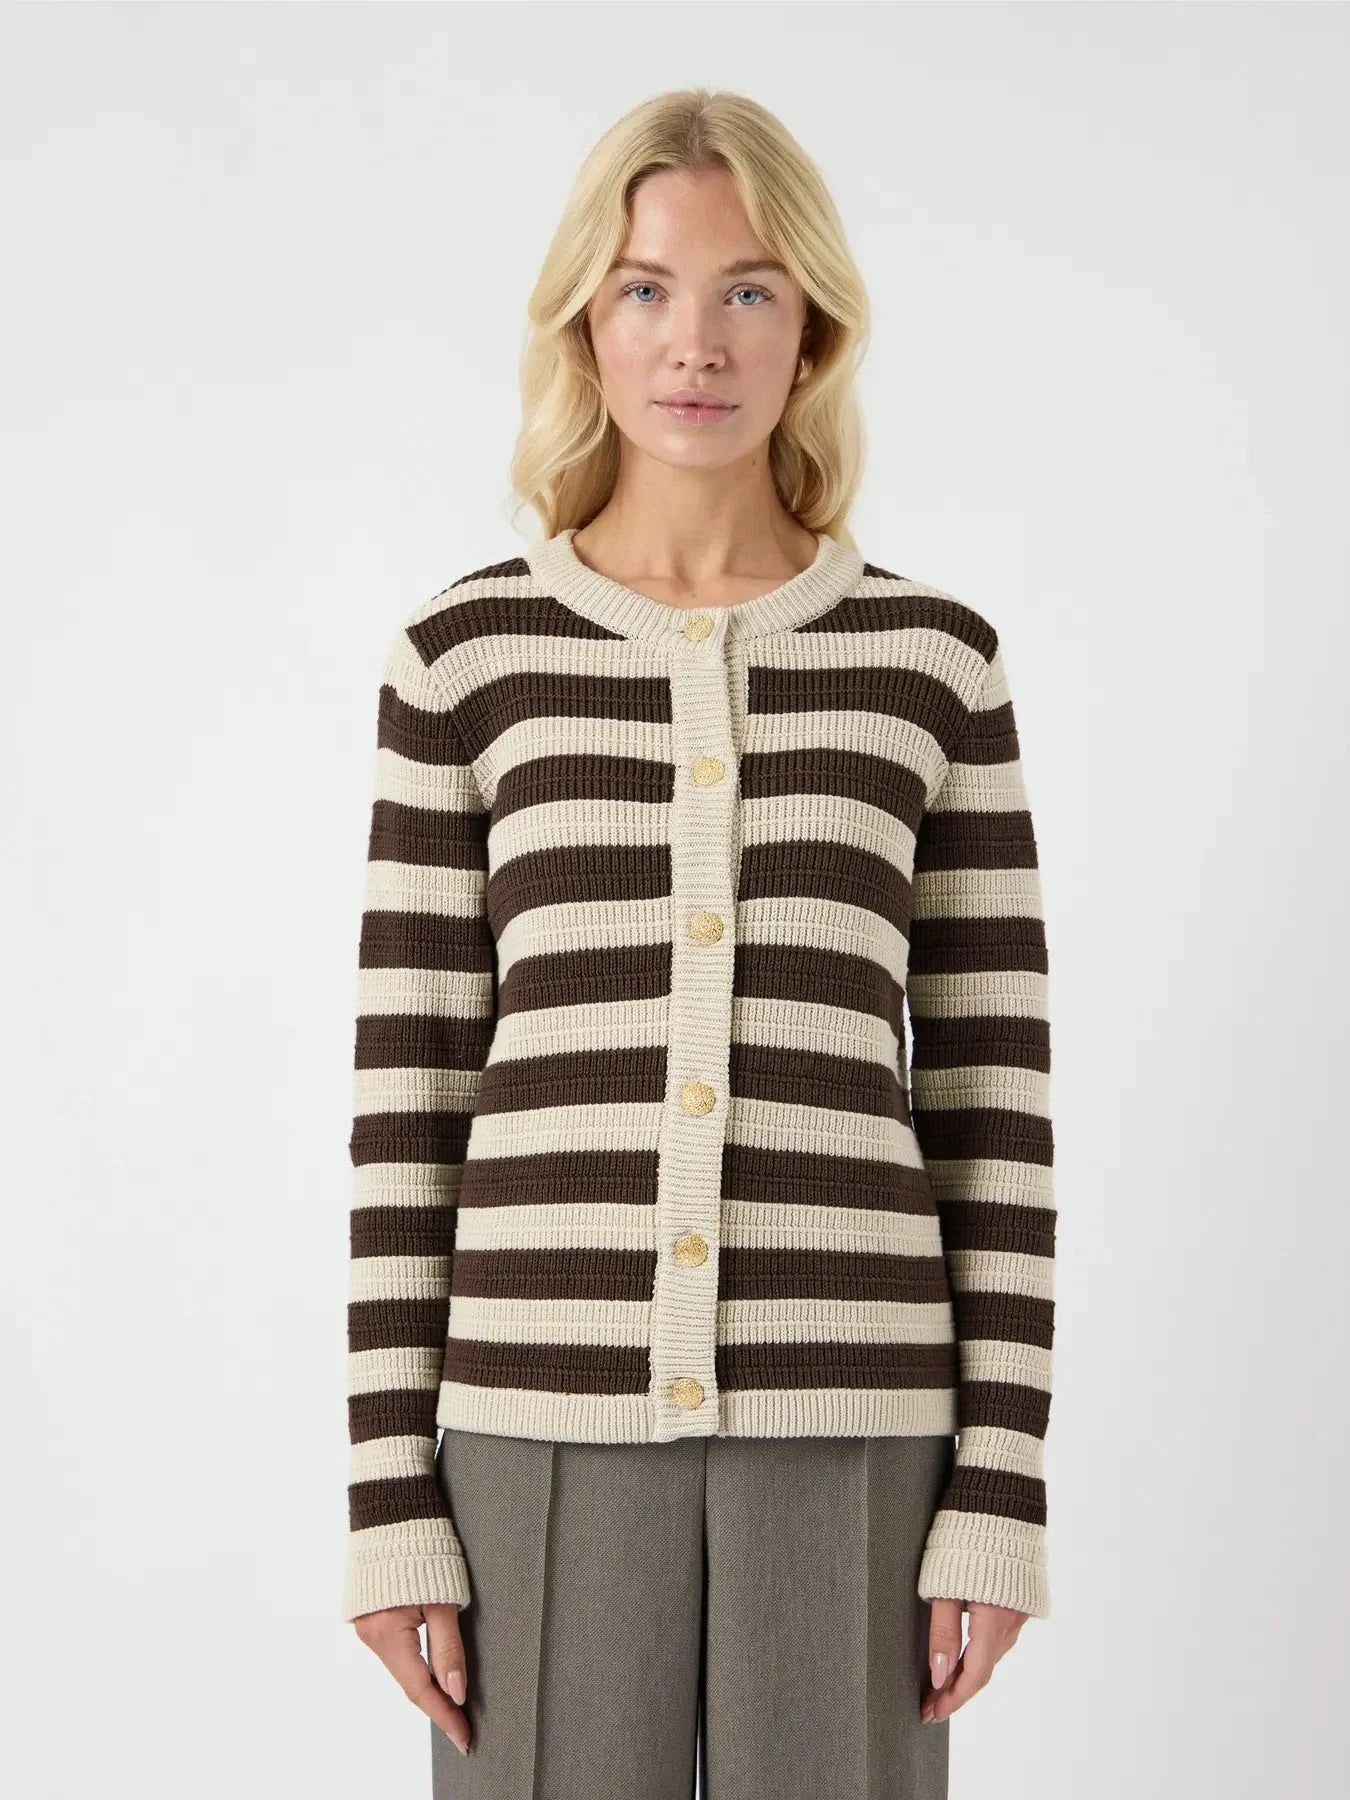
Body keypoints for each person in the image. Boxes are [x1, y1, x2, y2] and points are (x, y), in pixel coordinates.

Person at [340, 86, 1056, 1800]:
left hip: (856, 1438)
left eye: (747, 289)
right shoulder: (464, 658)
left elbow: (994, 1107)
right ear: (583, 322)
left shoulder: (933, 664)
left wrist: (997, 1490)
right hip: (532, 1438)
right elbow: (409, 1100)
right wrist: (387, 1505)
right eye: (645, 288)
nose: (695, 341)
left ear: (811, 327)